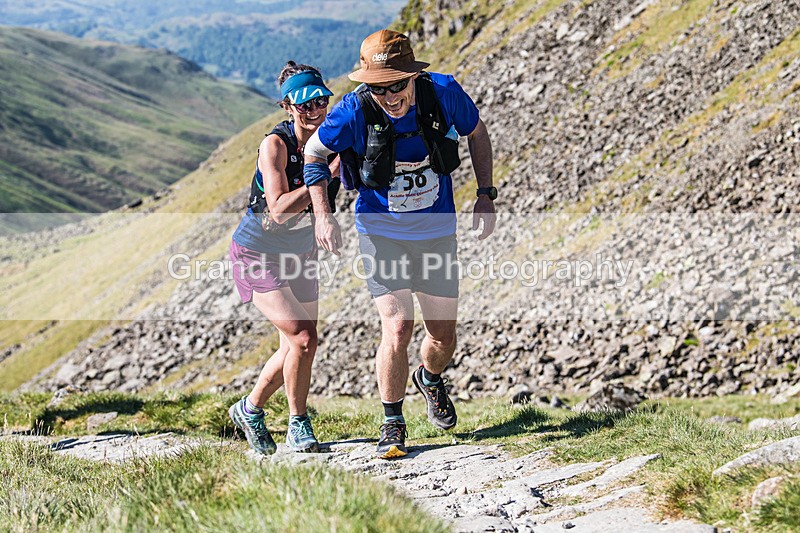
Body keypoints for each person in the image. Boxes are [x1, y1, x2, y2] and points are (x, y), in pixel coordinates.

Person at [302, 30, 496, 459]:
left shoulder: (441, 92)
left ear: (413, 75)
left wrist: (486, 194)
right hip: (380, 232)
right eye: (377, 86)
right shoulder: (352, 109)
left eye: (397, 84)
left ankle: (429, 378)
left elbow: (477, 132)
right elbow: (314, 155)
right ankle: (392, 421)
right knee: (397, 326)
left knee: (442, 335)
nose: (389, 96)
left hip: (437, 231)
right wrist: (322, 214)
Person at [228, 61, 339, 455]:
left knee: (299, 345)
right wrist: (320, 175)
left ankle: (250, 409)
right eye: (305, 105)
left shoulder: (331, 139)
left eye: (321, 102)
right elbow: (277, 210)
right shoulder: (275, 145)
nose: (315, 112)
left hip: (301, 252)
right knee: (303, 337)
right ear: (287, 107)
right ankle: (298, 423)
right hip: (257, 251)